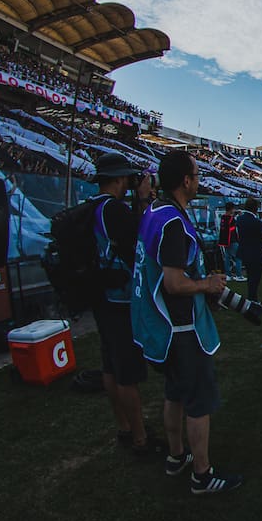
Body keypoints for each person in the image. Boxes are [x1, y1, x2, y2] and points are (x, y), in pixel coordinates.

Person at [131, 150, 243, 494]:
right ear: (185, 180)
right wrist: (207, 285)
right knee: (198, 402)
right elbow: (174, 283)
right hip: (180, 329)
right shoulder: (173, 222)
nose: (198, 181)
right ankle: (202, 475)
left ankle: (176, 455)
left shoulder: (155, 211)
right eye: (196, 175)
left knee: (175, 394)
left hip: (161, 329)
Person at [89, 153, 159, 454]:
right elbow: (141, 239)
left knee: (110, 366)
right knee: (127, 372)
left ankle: (124, 427)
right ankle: (140, 438)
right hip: (119, 298)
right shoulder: (113, 210)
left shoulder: (93, 206)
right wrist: (143, 200)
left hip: (101, 296)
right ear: (119, 178)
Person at [235, 198, 262, 301]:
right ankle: (253, 298)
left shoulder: (239, 219)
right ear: (255, 208)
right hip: (256, 253)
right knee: (255, 278)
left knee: (250, 276)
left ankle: (251, 297)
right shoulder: (256, 222)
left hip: (245, 252)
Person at [217, 202, 244, 282]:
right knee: (238, 257)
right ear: (232, 209)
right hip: (232, 240)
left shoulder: (223, 217)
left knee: (227, 258)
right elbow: (236, 225)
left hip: (225, 241)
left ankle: (228, 275)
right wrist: (239, 215)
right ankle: (239, 275)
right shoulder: (231, 219)